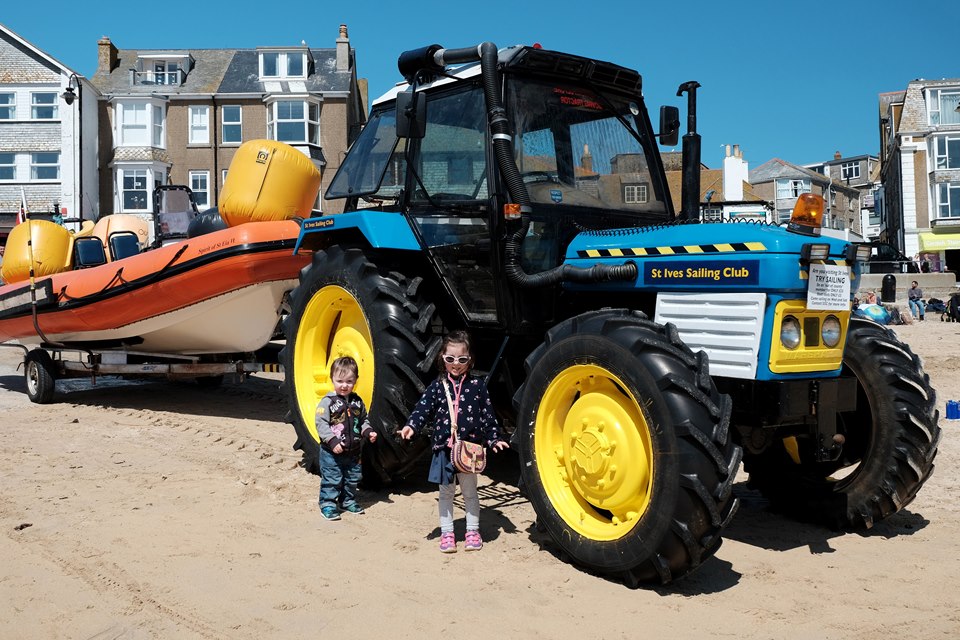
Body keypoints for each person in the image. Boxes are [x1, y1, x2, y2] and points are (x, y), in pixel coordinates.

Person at [399, 330, 509, 553]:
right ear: (442, 359)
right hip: (444, 449)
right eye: (450, 359)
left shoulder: (478, 386)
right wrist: (412, 425)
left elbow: (488, 415)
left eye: (462, 359)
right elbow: (423, 408)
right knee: (446, 493)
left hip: (469, 450)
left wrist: (494, 438)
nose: (456, 364)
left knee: (470, 493)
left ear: (470, 360)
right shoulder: (438, 386)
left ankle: (472, 531)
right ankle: (447, 533)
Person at [316, 356, 377, 521]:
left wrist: (368, 431)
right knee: (332, 478)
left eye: (349, 381)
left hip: (354, 451)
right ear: (332, 379)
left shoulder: (357, 402)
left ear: (356, 380)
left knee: (352, 478)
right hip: (331, 452)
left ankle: (347, 500)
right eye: (340, 381)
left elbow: (363, 421)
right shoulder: (327, 402)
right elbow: (321, 424)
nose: (344, 385)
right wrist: (332, 441)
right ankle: (328, 504)